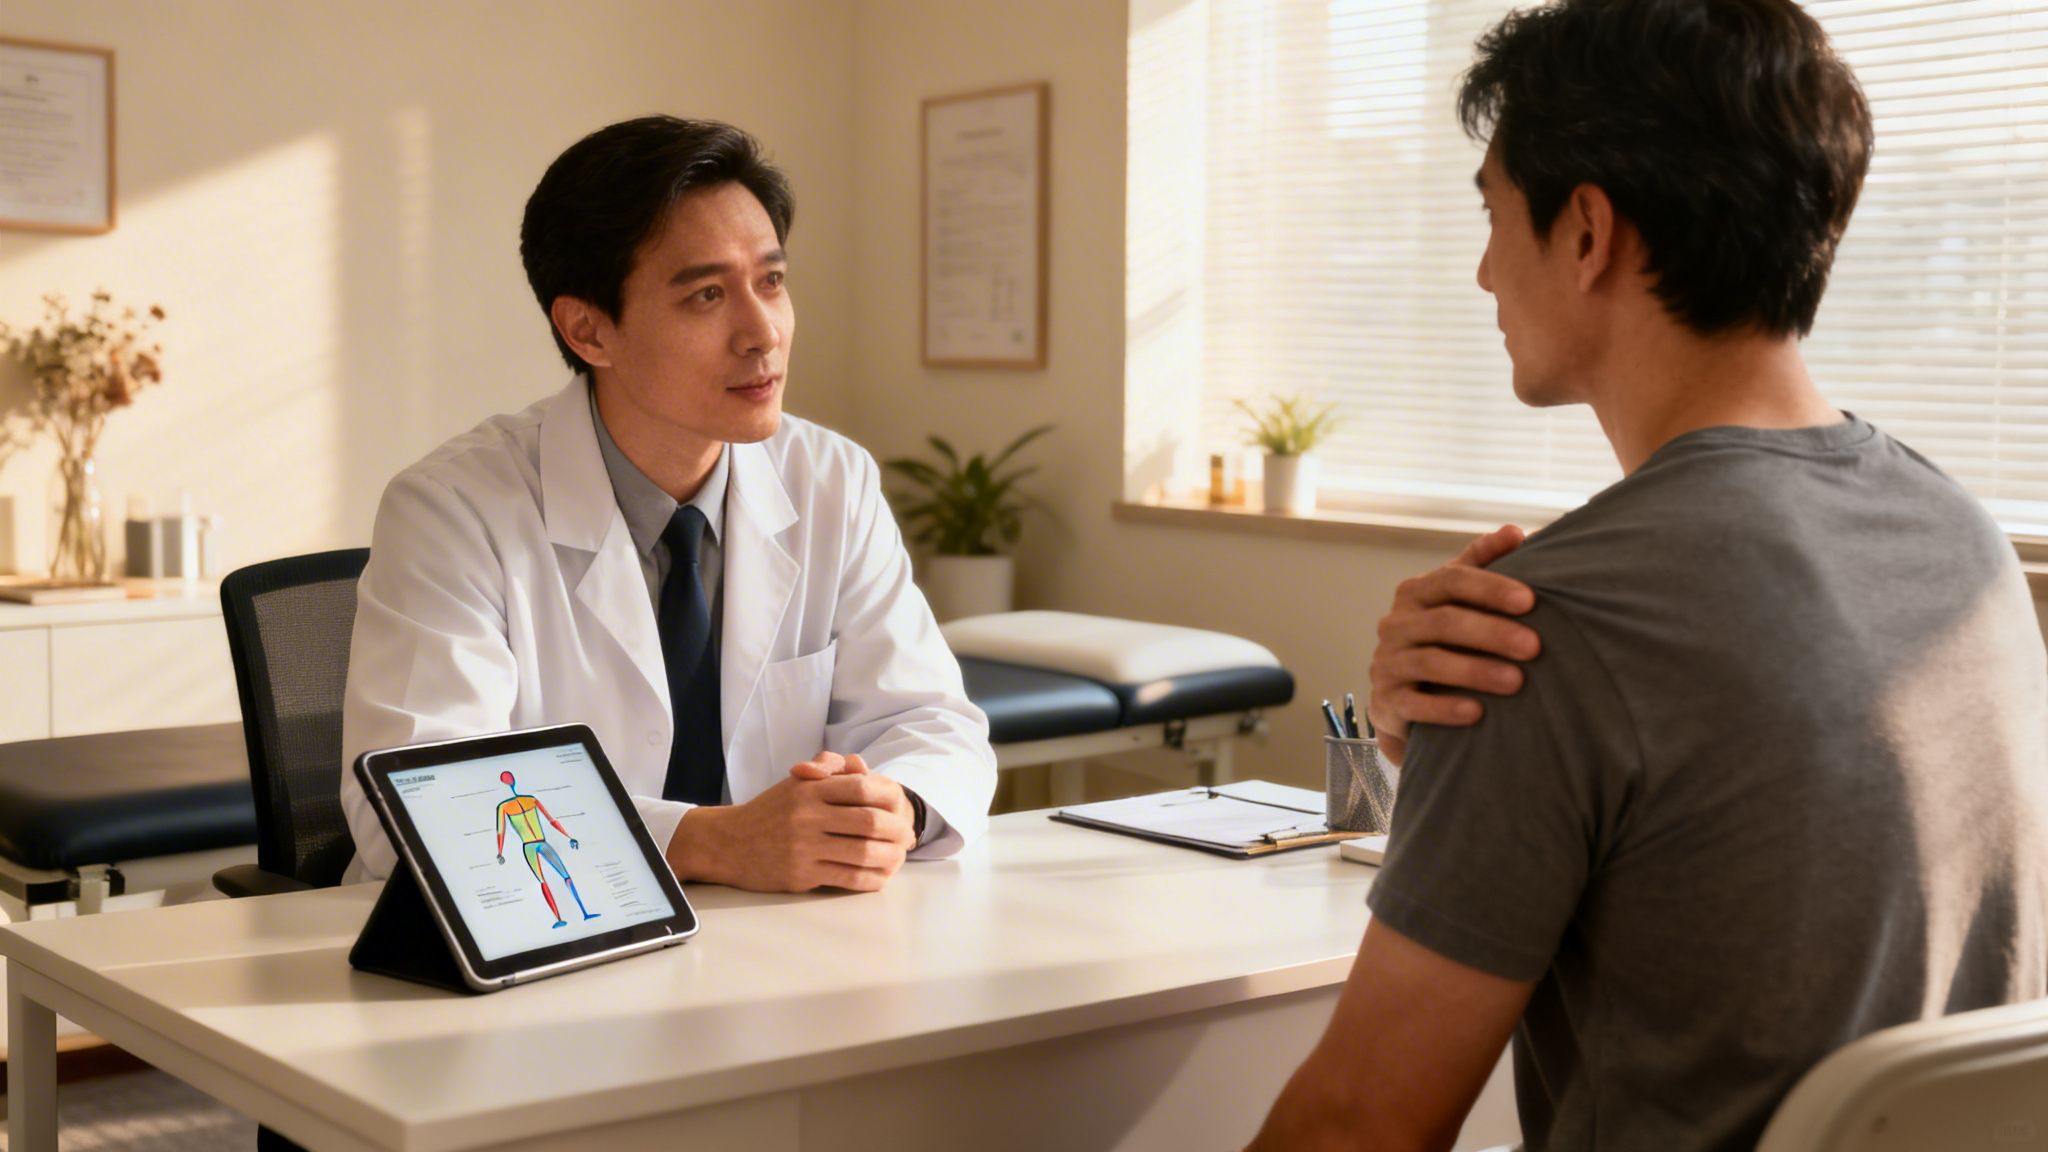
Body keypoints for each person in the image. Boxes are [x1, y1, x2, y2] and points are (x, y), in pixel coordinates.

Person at [1250, 1, 2048, 1149]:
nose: (1479, 274)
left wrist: (1502, 732)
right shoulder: (1962, 544)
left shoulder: (1540, 627)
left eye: (1491, 215)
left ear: (1585, 233)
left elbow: (1359, 1123)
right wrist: (1438, 753)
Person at [339, 116, 996, 894]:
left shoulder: (831, 480)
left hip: (775, 938)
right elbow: (421, 800)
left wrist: (894, 807)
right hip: (529, 949)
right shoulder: (453, 510)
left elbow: (930, 721)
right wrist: (708, 842)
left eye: (773, 282)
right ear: (588, 330)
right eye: (708, 295)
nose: (763, 334)